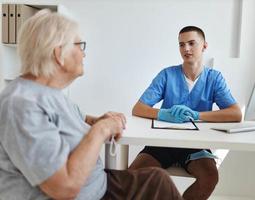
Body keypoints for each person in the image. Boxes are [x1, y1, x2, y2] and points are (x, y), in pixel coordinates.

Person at [0, 10, 183, 200]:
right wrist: (101, 129)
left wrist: (99, 120)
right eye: (80, 45)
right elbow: (64, 188)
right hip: (84, 194)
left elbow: (77, 119)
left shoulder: (49, 92)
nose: (84, 53)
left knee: (157, 179)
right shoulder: (21, 105)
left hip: (97, 184)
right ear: (58, 53)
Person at [129, 26, 242, 200]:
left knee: (210, 177)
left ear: (204, 46)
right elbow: (138, 108)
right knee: (132, 176)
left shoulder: (214, 78)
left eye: (191, 43)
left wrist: (198, 115)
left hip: (195, 146)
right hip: (163, 144)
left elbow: (235, 114)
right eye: (181, 45)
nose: (186, 49)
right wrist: (162, 114)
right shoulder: (167, 75)